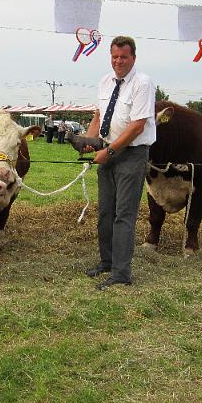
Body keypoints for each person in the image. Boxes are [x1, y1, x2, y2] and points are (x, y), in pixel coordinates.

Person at [83, 36, 156, 290]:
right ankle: (107, 261)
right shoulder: (105, 82)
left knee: (124, 215)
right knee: (105, 212)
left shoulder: (142, 83)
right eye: (114, 56)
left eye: (123, 57)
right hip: (108, 152)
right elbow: (99, 115)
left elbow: (137, 127)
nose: (118, 61)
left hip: (131, 156)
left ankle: (122, 273)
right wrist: (90, 141)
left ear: (133, 58)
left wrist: (109, 152)